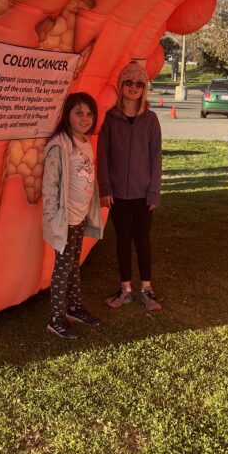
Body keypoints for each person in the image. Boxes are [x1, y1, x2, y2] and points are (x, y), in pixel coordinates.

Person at [97, 61, 163, 312]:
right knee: (122, 240)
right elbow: (102, 155)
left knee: (143, 240)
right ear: (121, 85)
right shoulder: (110, 119)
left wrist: (154, 191)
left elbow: (156, 156)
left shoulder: (150, 119)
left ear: (144, 88)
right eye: (129, 82)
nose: (133, 87)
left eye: (139, 83)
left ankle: (147, 288)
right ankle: (125, 289)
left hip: (143, 194)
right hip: (117, 195)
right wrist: (105, 188)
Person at [42, 92, 104, 339]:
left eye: (89, 113)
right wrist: (53, 218)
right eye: (79, 112)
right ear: (67, 115)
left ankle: (75, 307)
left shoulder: (86, 141)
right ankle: (56, 318)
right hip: (64, 219)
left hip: (80, 217)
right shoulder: (60, 144)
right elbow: (50, 183)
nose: (85, 118)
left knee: (73, 265)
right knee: (63, 267)